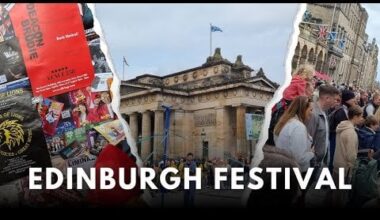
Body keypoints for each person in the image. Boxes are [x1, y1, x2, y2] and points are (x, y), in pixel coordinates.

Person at [306, 85, 340, 179]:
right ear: (327, 98)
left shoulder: (324, 112)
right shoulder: (313, 114)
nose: (336, 102)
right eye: (335, 99)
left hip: (316, 162)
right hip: (310, 163)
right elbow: (307, 140)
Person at [332, 106, 363, 207]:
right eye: (360, 116)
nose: (362, 118)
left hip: (337, 162)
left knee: (335, 191)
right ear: (355, 116)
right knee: (340, 196)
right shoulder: (350, 132)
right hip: (345, 167)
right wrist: (353, 165)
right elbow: (351, 155)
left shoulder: (343, 126)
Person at [274, 96, 315, 173]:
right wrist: (312, 153)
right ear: (303, 109)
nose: (312, 113)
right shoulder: (298, 127)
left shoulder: (285, 122)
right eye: (311, 110)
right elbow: (300, 159)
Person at [328, 89, 357, 171]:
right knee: (333, 159)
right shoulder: (342, 112)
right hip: (335, 137)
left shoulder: (344, 109)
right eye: (353, 98)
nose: (354, 100)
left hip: (335, 136)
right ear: (347, 99)